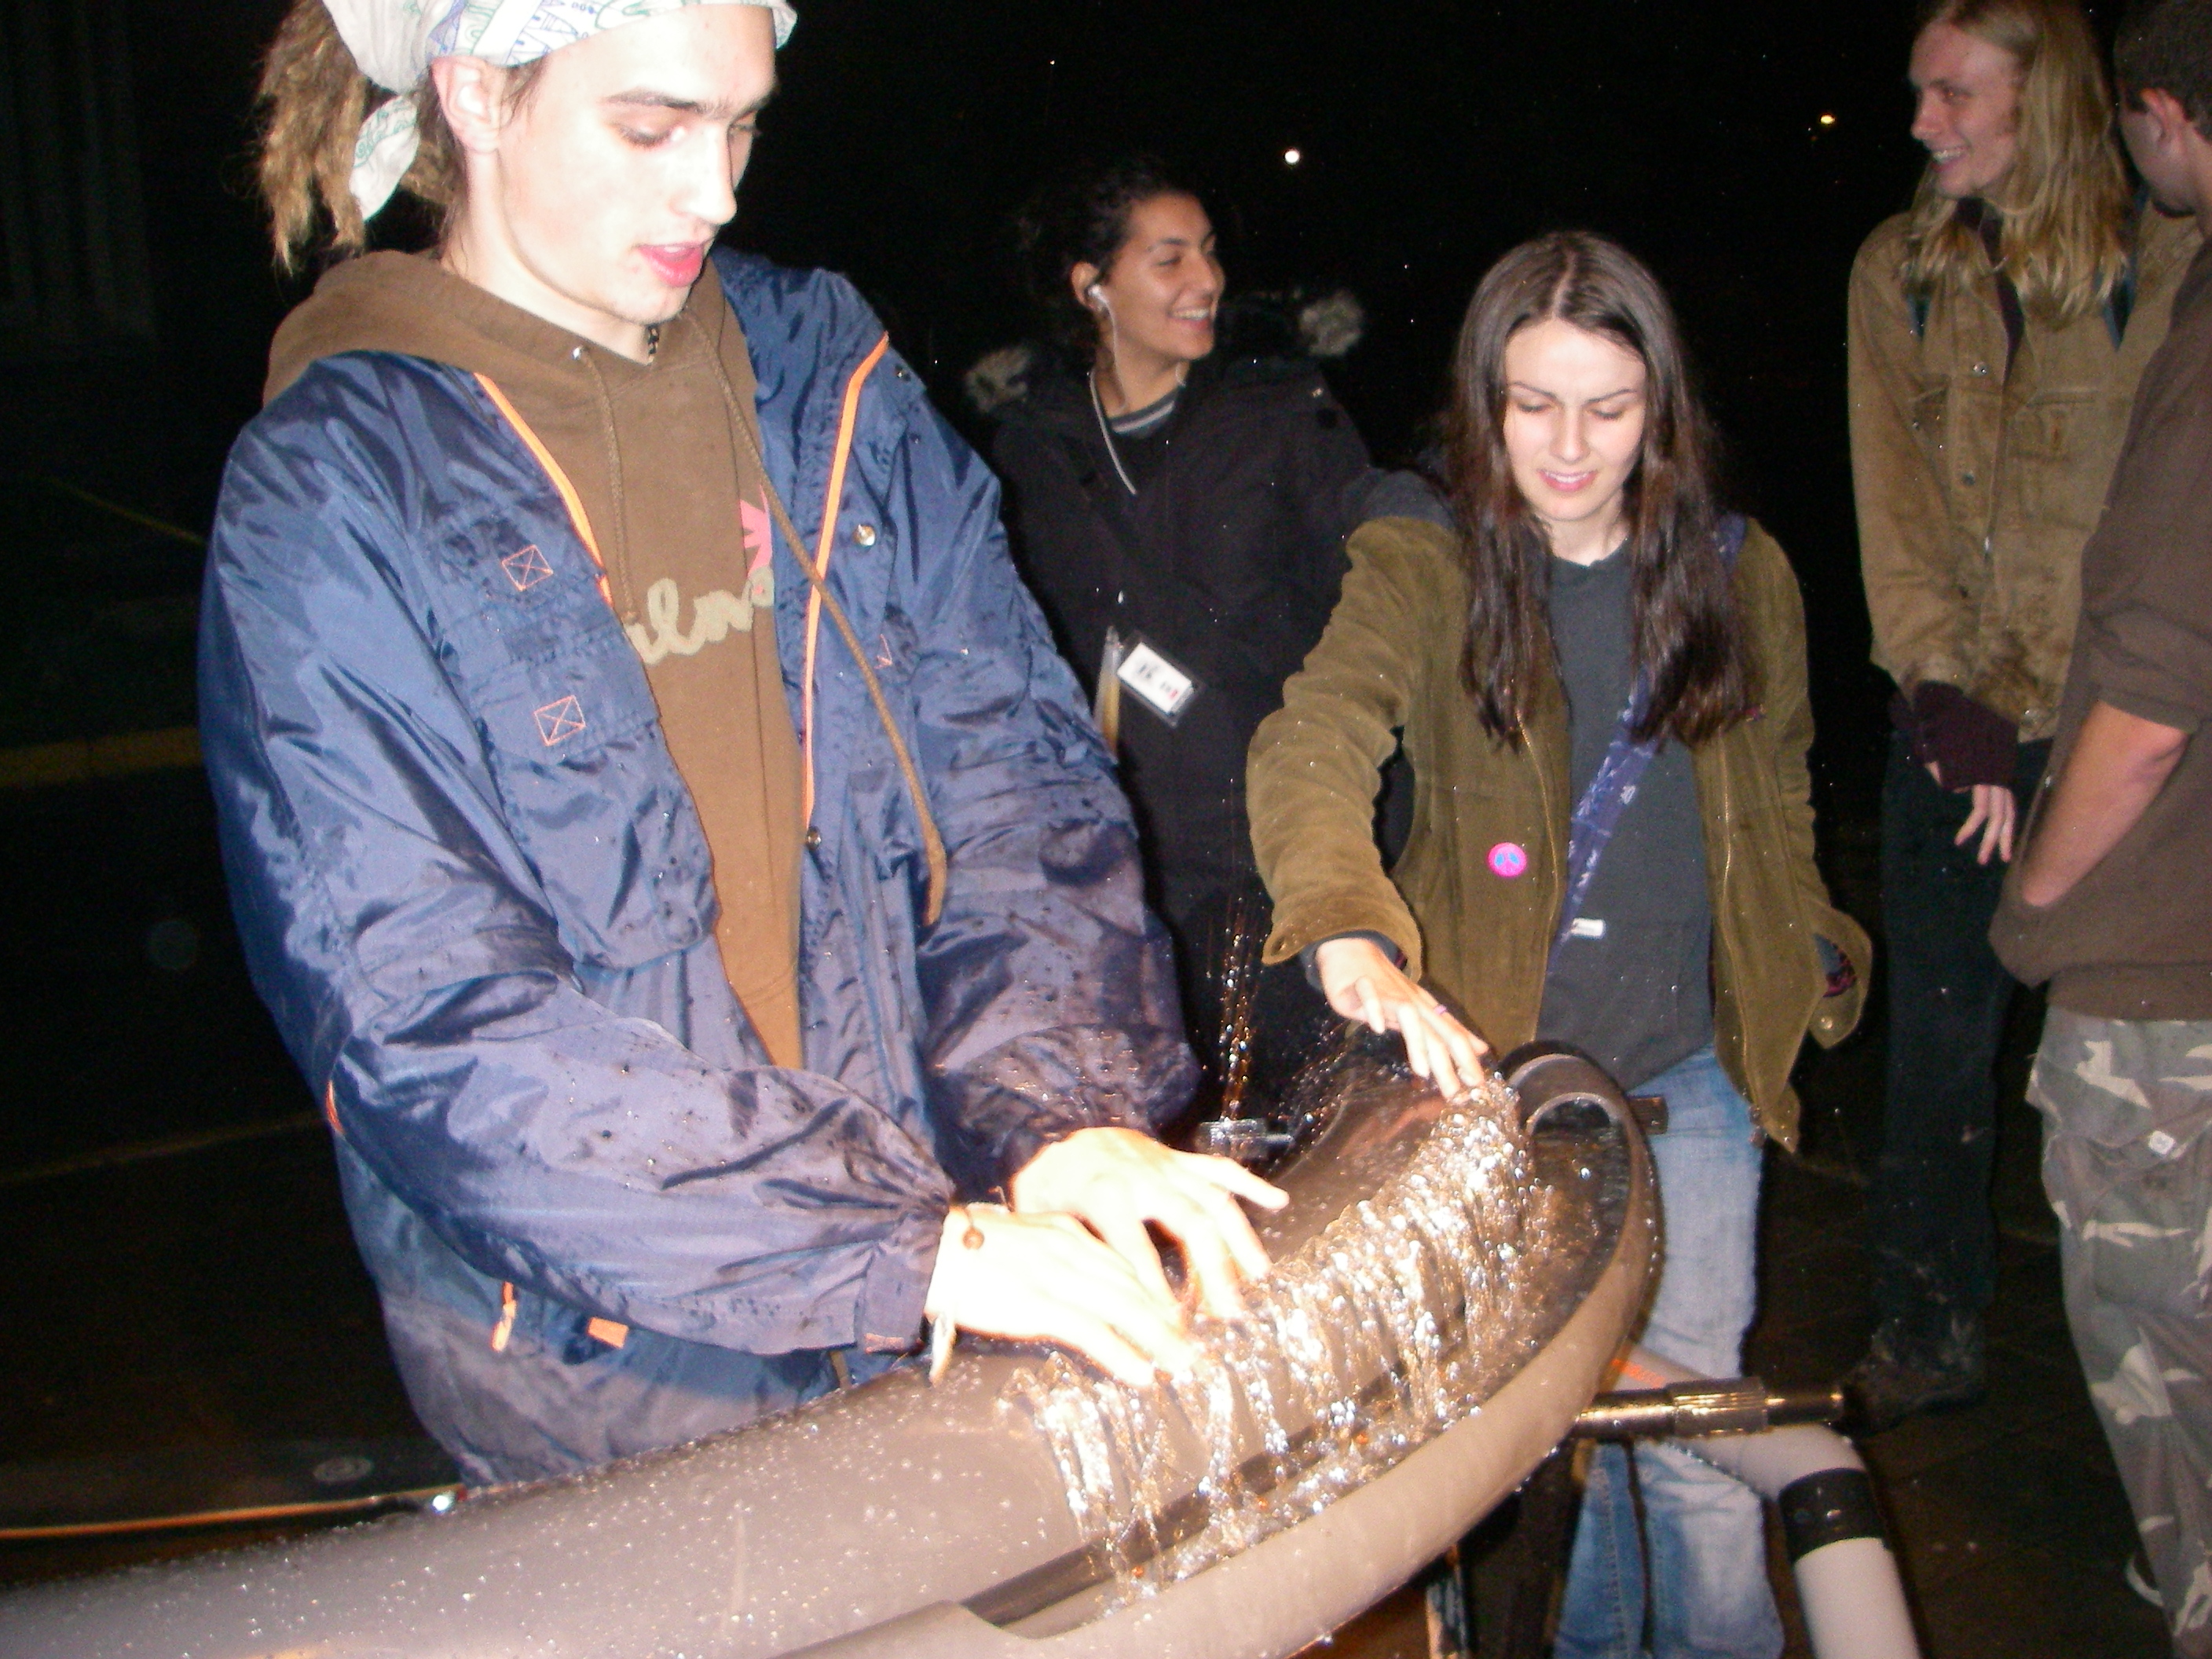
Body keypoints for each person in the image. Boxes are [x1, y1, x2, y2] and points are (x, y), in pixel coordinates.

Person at [210, 0, 1284, 1486]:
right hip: (612, 1370)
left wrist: (1054, 1112)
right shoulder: (337, 488)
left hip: (950, 1274)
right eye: (652, 128)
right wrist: (888, 1245)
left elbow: (1015, 776)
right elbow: (425, 1016)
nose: (714, 191)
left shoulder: (822, 372)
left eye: (740, 126)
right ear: (476, 94)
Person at [1248, 232, 1870, 1659]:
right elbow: (1313, 738)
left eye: (1608, 406)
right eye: (1534, 405)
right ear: (1486, 403)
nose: (1571, 447)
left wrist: (1810, 943)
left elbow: (1778, 788)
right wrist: (1347, 928)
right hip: (1505, 1088)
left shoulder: (1741, 573)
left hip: (1693, 1083)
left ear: (1662, 408)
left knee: (1697, 1442)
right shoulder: (1425, 562)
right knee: (1558, 1441)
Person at [1846, 0, 2199, 1429]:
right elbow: (1893, 508)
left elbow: (2145, 526)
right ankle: (1927, 1323)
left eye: (1953, 93)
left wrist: (2049, 714)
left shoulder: (2164, 261)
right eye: (1917, 91)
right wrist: (1952, 699)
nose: (1921, 122)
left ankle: (2153, 1338)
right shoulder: (1897, 268)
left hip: (2117, 731)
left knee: (2140, 1052)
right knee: (1937, 1050)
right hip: (1957, 731)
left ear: (2043, 96)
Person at [989, 160, 1372, 1116]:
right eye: (1168, 259)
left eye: (1206, 253)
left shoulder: (1278, 417)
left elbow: (1370, 616)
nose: (1205, 279)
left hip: (1268, 856)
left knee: (1292, 1136)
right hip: (1120, 876)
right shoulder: (1032, 450)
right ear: (1092, 287)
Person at [1990, 0, 2212, 1640]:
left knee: (2162, 1348)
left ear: (2161, 113)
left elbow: (2149, 693)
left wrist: (2038, 909)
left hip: (2164, 980)